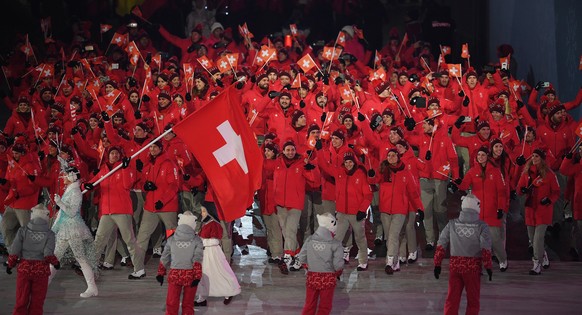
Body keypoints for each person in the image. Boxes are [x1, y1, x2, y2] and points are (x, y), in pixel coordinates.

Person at [433, 194, 493, 315]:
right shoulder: (482, 226)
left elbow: (441, 243)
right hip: (472, 268)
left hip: (455, 266)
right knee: (473, 302)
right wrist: (488, 266)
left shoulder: (452, 224)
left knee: (452, 300)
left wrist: (437, 263)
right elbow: (485, 247)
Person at [50, 166, 99, 298]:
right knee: (55, 257)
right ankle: (43, 285)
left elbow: (72, 212)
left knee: (80, 258)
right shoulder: (69, 190)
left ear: (72, 176)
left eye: (65, 175)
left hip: (73, 230)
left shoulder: (76, 192)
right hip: (65, 230)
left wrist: (60, 203)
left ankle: (92, 287)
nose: (63, 177)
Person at [6, 204, 60, 315]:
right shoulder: (50, 234)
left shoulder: (22, 231)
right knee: (37, 302)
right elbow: (48, 254)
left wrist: (10, 264)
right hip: (41, 271)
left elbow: (15, 251)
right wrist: (55, 263)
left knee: (21, 301)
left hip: (24, 269)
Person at [517, 149, 560, 275]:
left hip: (543, 210)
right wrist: (522, 190)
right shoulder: (526, 173)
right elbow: (519, 189)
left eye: (537, 156)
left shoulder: (550, 174)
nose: (534, 158)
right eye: (533, 156)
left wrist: (549, 200)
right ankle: (543, 254)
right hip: (530, 210)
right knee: (532, 239)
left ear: (542, 158)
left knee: (538, 238)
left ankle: (536, 264)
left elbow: (556, 192)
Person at [296, 213, 344, 315]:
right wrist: (338, 271)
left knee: (309, 304)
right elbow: (338, 264)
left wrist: (307, 266)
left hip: (312, 276)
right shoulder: (335, 244)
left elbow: (301, 257)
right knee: (325, 306)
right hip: (328, 278)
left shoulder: (309, 240)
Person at [156, 211, 203, 315]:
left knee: (172, 302)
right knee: (188, 303)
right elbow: (197, 258)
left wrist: (160, 273)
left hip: (175, 275)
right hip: (190, 275)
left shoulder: (171, 239)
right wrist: (197, 276)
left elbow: (165, 257)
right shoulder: (197, 240)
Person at [195, 206, 241, 306]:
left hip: (213, 253)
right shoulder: (204, 223)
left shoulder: (214, 224)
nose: (202, 213)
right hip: (204, 253)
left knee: (219, 272)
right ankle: (202, 297)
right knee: (203, 274)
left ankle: (228, 292)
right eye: (201, 211)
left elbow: (216, 240)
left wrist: (202, 241)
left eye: (204, 211)